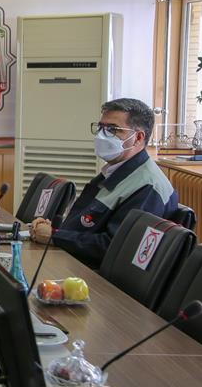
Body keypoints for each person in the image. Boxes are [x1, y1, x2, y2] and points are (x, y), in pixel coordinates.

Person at [30, 98, 178, 269]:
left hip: (97, 275)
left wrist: (55, 236)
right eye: (101, 127)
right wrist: (55, 230)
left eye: (112, 129)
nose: (102, 135)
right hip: (72, 259)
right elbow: (84, 223)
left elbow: (115, 246)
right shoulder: (115, 170)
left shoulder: (148, 187)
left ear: (138, 138)